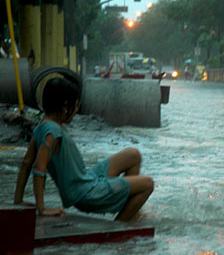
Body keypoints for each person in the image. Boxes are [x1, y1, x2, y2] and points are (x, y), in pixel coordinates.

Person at [13, 78, 154, 221]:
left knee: (133, 155)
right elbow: (38, 167)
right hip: (85, 193)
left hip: (87, 179)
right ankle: (121, 224)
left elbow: (26, 164)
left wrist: (18, 200)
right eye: (75, 106)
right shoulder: (52, 133)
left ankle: (132, 211)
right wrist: (42, 208)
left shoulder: (41, 128)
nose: (75, 112)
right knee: (148, 183)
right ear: (65, 106)